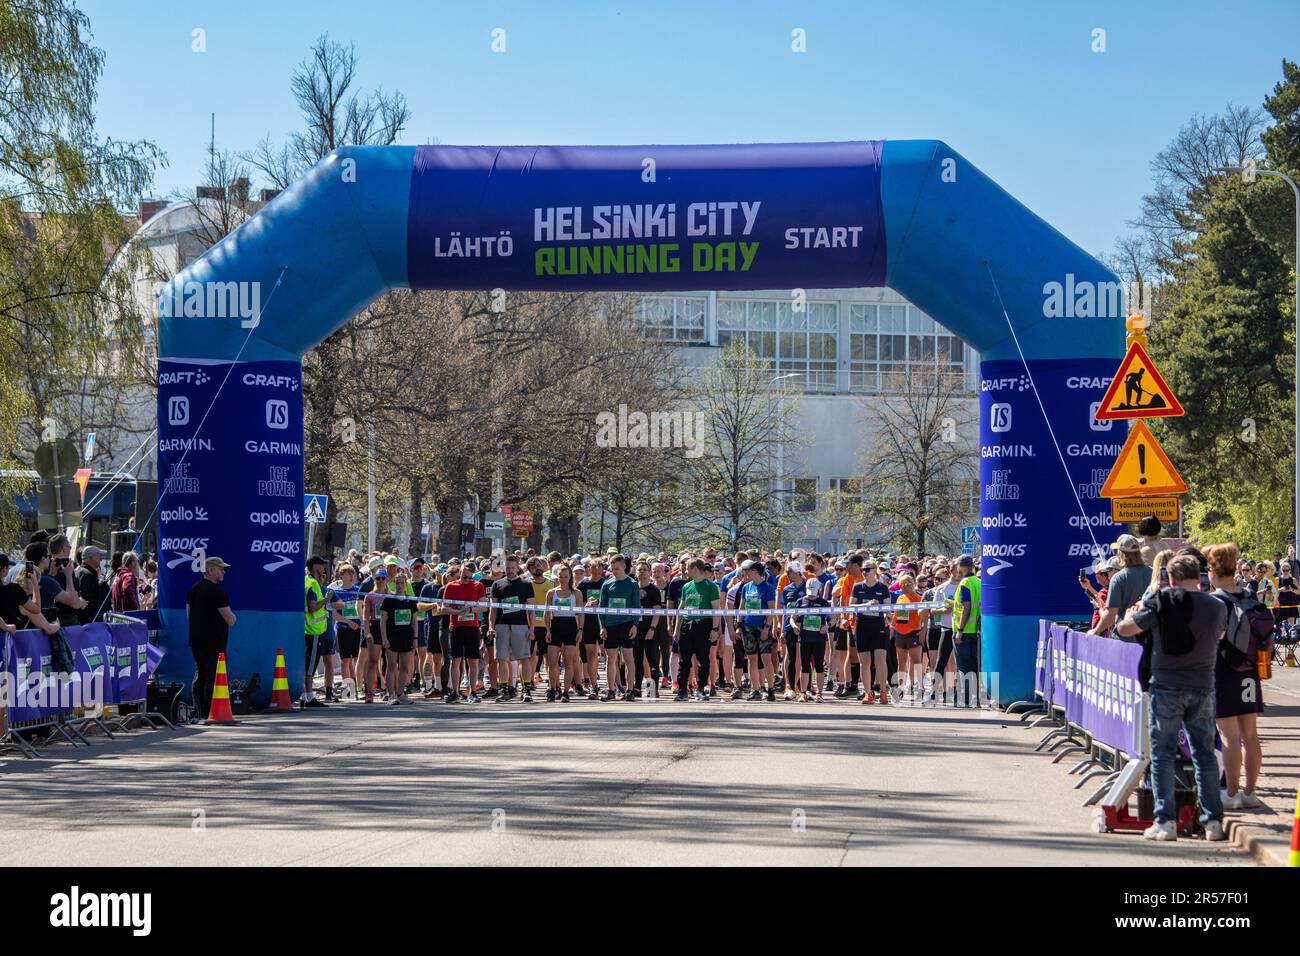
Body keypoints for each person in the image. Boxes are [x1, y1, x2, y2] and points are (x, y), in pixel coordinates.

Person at [1115, 553, 1227, 842]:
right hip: (1202, 685)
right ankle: (1213, 821)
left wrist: (1129, 615)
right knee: (1204, 755)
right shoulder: (1216, 606)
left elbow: (1126, 629)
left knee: (1163, 754)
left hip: (1165, 684)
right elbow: (1220, 635)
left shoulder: (1159, 601)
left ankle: (1165, 822)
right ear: (1198, 576)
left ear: (1171, 578)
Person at [1204, 543, 1269, 811]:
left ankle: (1231, 794)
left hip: (1224, 671)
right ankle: (1250, 792)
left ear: (1214, 570)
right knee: (1250, 734)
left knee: (1229, 736)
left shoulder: (1214, 601)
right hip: (1250, 671)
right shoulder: (1250, 596)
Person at [187, 556, 235, 721]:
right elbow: (229, 619)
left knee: (200, 674)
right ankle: (210, 712)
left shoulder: (193, 589)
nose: (224, 571)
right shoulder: (217, 592)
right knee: (213, 676)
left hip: (196, 640)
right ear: (211, 570)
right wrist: (234, 618)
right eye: (221, 568)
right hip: (214, 642)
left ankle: (197, 710)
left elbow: (188, 615)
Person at [488, 554, 536, 701]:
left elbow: (531, 609)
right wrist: (491, 626)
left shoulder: (526, 584)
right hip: (502, 625)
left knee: (524, 658)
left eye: (513, 568)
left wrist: (532, 628)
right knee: (501, 658)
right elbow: (493, 608)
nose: (510, 570)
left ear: (518, 568)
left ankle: (526, 690)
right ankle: (504, 690)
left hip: (520, 625)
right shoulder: (497, 584)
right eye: (508, 568)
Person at [674, 558, 720, 701]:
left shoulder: (710, 586)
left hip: (703, 626)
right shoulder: (687, 586)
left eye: (688, 568)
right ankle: (682, 690)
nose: (686, 571)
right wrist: (676, 629)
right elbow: (681, 608)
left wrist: (714, 629)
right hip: (687, 625)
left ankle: (700, 689)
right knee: (684, 660)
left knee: (703, 660)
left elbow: (716, 609)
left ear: (694, 568)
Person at [1087, 535, 1151, 636]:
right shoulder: (1153, 573)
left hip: (1124, 640)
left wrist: (1095, 631)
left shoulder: (1118, 578)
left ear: (1120, 553)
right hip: (1150, 639)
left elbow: (1110, 615)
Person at [598, 554, 641, 701]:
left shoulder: (632, 583)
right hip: (610, 625)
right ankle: (611, 689)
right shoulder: (607, 584)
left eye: (617, 568)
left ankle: (629, 690)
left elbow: (637, 606)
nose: (614, 571)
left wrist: (635, 624)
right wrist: (602, 626)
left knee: (629, 658)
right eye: (612, 568)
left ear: (624, 566)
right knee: (611, 659)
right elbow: (601, 607)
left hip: (627, 624)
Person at [441, 561, 485, 703]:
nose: (466, 579)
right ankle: (455, 691)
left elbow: (484, 606)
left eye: (469, 577)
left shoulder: (478, 585)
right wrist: (457, 611)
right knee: (455, 661)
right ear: (459, 573)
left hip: (472, 627)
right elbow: (443, 608)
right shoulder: (451, 586)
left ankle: (473, 692)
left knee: (473, 661)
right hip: (456, 627)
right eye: (463, 576)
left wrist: (471, 610)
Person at [851, 559, 892, 704]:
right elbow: (852, 606)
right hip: (862, 625)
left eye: (867, 569)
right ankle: (868, 693)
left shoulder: (882, 587)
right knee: (865, 662)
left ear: (874, 570)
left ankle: (882, 692)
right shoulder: (857, 587)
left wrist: (889, 618)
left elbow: (888, 608)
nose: (864, 572)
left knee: (880, 659)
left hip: (878, 626)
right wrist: (866, 605)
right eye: (863, 569)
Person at [735, 560, 778, 701]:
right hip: (748, 626)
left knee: (766, 658)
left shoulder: (768, 588)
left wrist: (767, 627)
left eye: (749, 571)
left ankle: (770, 688)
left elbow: (771, 609)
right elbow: (741, 607)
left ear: (756, 572)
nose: (746, 573)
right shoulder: (746, 587)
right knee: (752, 659)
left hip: (762, 626)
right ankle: (755, 689)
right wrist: (738, 624)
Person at [379, 567, 417, 705]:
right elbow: (383, 620)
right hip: (391, 637)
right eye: (397, 583)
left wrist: (415, 639)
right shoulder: (389, 600)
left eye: (402, 583)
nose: (399, 585)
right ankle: (391, 695)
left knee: (405, 668)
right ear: (394, 584)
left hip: (406, 637)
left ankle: (401, 693)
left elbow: (414, 621)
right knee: (391, 667)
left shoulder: (410, 600)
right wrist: (384, 638)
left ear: (406, 583)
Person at [790, 577, 831, 701]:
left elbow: (832, 618)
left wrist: (827, 627)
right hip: (804, 638)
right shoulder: (800, 602)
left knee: (819, 666)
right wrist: (794, 626)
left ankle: (819, 694)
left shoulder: (823, 603)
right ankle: (803, 693)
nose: (811, 596)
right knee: (805, 666)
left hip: (819, 639)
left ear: (819, 589)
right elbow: (792, 617)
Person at [330, 563, 363, 699]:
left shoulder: (358, 590)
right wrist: (348, 622)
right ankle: (348, 688)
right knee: (345, 660)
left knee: (357, 659)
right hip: (343, 629)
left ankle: (358, 687)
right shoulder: (337, 592)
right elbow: (334, 614)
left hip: (357, 628)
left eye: (352, 574)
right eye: (347, 574)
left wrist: (359, 623)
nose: (351, 576)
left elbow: (362, 609)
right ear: (341, 576)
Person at [952, 555, 981, 707]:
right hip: (976, 631)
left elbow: (966, 607)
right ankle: (976, 697)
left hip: (964, 631)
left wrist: (960, 630)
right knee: (974, 665)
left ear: (962, 566)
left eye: (957, 565)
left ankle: (966, 699)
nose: (956, 568)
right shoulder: (978, 581)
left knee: (963, 666)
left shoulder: (965, 582)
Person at [302, 556, 330, 708]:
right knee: (310, 666)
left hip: (310, 630)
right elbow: (312, 607)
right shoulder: (312, 583)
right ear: (315, 566)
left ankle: (306, 695)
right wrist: (326, 600)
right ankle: (309, 697)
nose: (324, 568)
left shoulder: (309, 581)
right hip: (313, 631)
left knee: (308, 664)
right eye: (321, 565)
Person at [73, 546, 108, 624]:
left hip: (81, 619)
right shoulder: (88, 575)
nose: (101, 559)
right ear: (91, 557)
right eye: (99, 556)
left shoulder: (79, 571)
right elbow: (88, 602)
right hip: (88, 622)